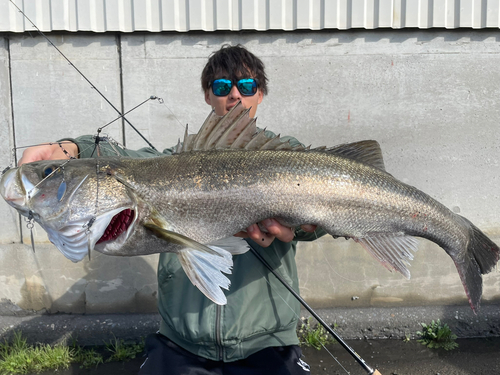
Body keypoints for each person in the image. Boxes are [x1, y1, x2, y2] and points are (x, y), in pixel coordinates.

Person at [19, 44, 324, 374]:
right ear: (208, 96)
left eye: (246, 85)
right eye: (222, 86)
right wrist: (71, 148)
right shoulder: (174, 160)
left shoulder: (289, 155)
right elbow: (130, 162)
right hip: (181, 344)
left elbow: (327, 209)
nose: (234, 94)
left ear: (260, 93)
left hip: (268, 343)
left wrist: (313, 225)